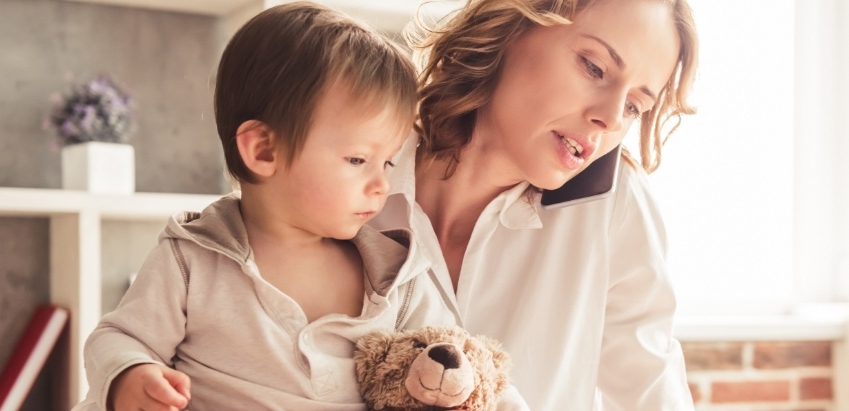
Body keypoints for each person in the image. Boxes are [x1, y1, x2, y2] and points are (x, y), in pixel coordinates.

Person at [71, 3, 471, 410]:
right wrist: (130, 375)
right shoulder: (191, 259)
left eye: (387, 161)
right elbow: (119, 338)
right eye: (357, 160)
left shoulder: (399, 277)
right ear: (264, 150)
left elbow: (466, 366)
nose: (381, 184)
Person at [370, 0, 700, 409]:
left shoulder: (613, 207)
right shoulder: (355, 166)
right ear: (512, 25)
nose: (612, 118)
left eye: (634, 106)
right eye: (594, 68)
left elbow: (653, 395)